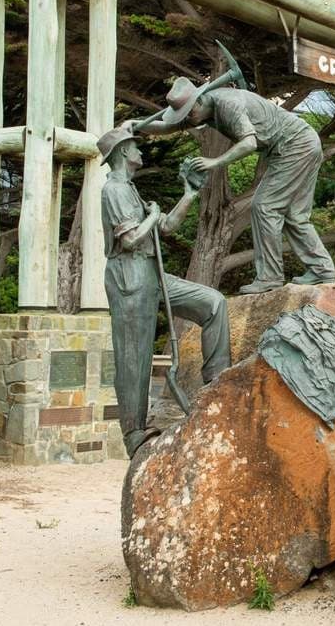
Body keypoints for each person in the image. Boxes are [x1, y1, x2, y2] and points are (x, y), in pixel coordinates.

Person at [129, 74, 335, 294]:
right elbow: (169, 127)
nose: (188, 118)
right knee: (295, 216)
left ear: (198, 101)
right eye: (184, 115)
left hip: (295, 146)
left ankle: (270, 277)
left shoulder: (227, 105)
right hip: (299, 145)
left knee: (265, 207)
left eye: (189, 113)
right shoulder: (202, 110)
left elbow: (249, 142)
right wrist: (136, 125)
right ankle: (322, 271)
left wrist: (215, 161)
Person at [96, 127, 231, 457]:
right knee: (134, 355)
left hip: (152, 273)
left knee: (213, 303)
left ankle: (217, 382)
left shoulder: (131, 190)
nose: (140, 152)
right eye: (134, 148)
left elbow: (166, 227)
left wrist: (188, 193)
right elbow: (129, 240)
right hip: (129, 275)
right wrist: (153, 216)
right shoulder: (113, 190)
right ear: (122, 153)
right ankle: (134, 432)